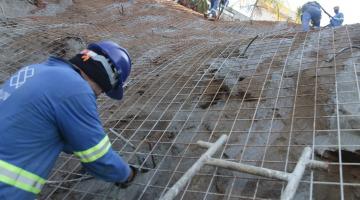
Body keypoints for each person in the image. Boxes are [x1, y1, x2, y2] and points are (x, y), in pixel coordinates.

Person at [0, 41, 137, 199]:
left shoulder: (36, 70)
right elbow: (98, 159)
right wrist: (127, 174)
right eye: (103, 91)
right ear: (107, 77)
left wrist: (81, 140)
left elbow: (33, 125)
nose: (99, 95)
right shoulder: (76, 89)